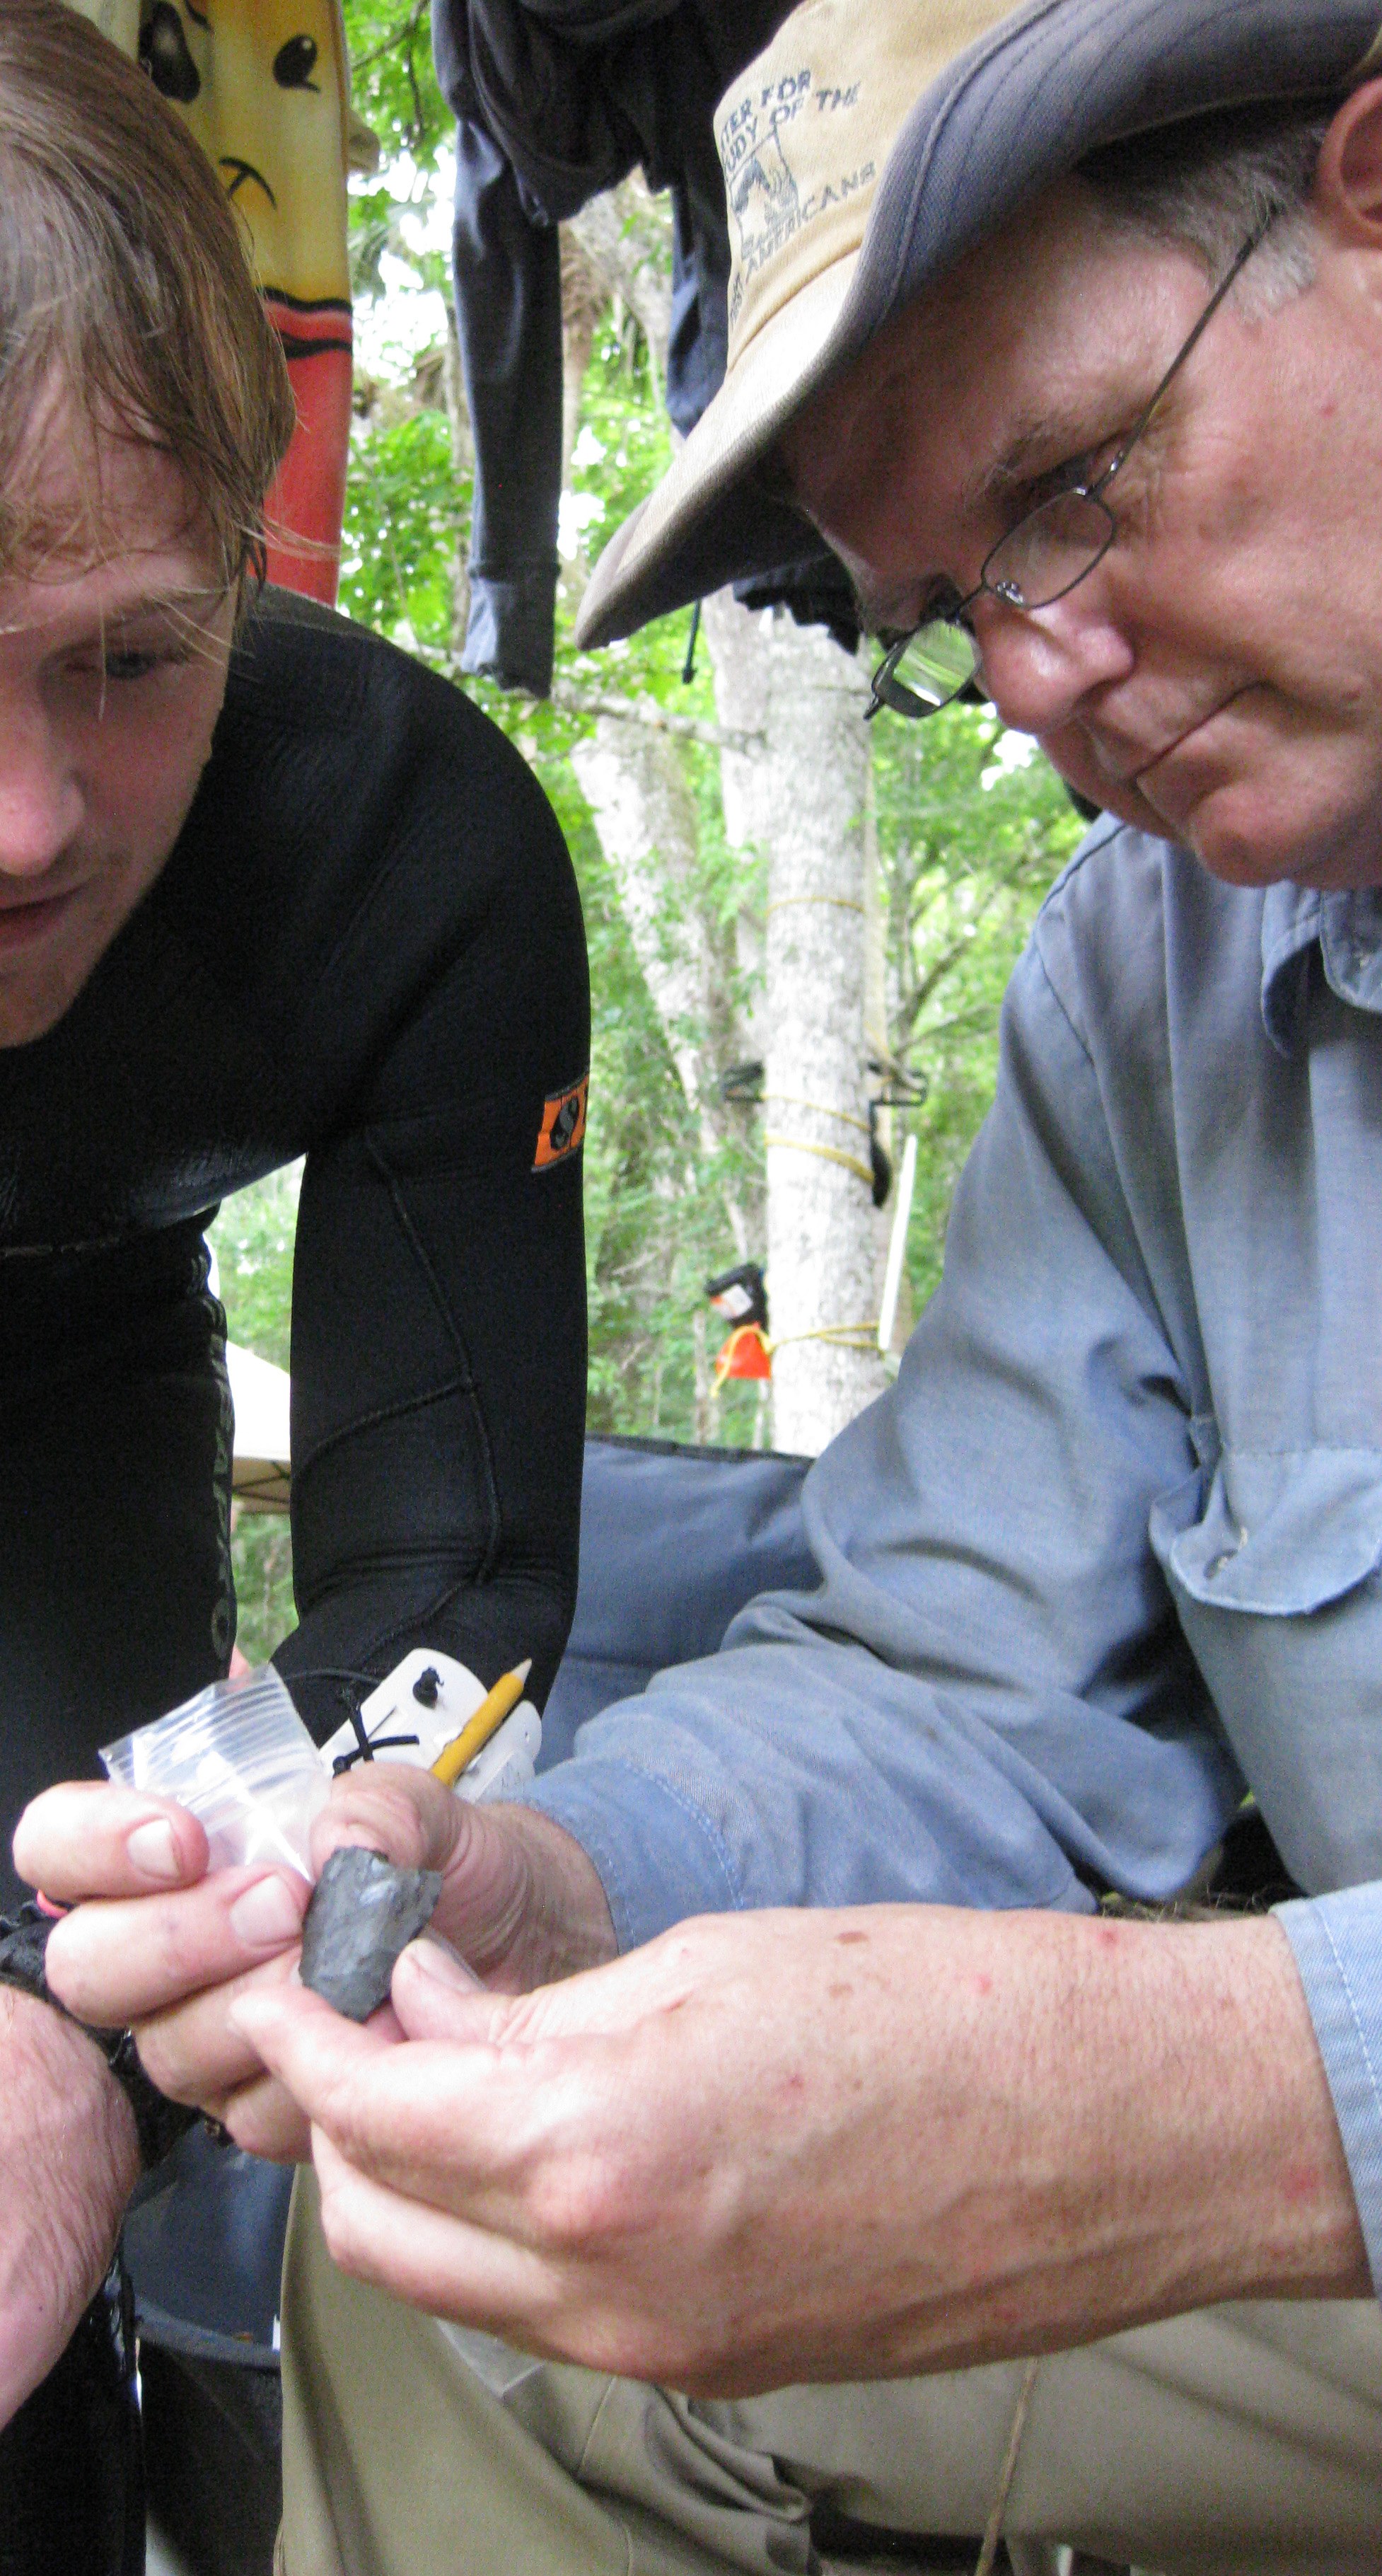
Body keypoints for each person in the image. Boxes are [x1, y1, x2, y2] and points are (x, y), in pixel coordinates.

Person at [28, 0, 1382, 2568]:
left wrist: (1196, 2106)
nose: (1021, 689)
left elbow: (1199, 2098)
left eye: (1070, 490)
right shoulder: (1144, 998)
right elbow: (962, 1688)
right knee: (471, 2255)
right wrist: (564, 1889)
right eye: (940, 608)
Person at [0, 0, 588, 2560]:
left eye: (127, 659)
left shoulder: (399, 842)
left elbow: (443, 1589)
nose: (22, 823)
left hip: (62, 1353)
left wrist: (78, 2063)